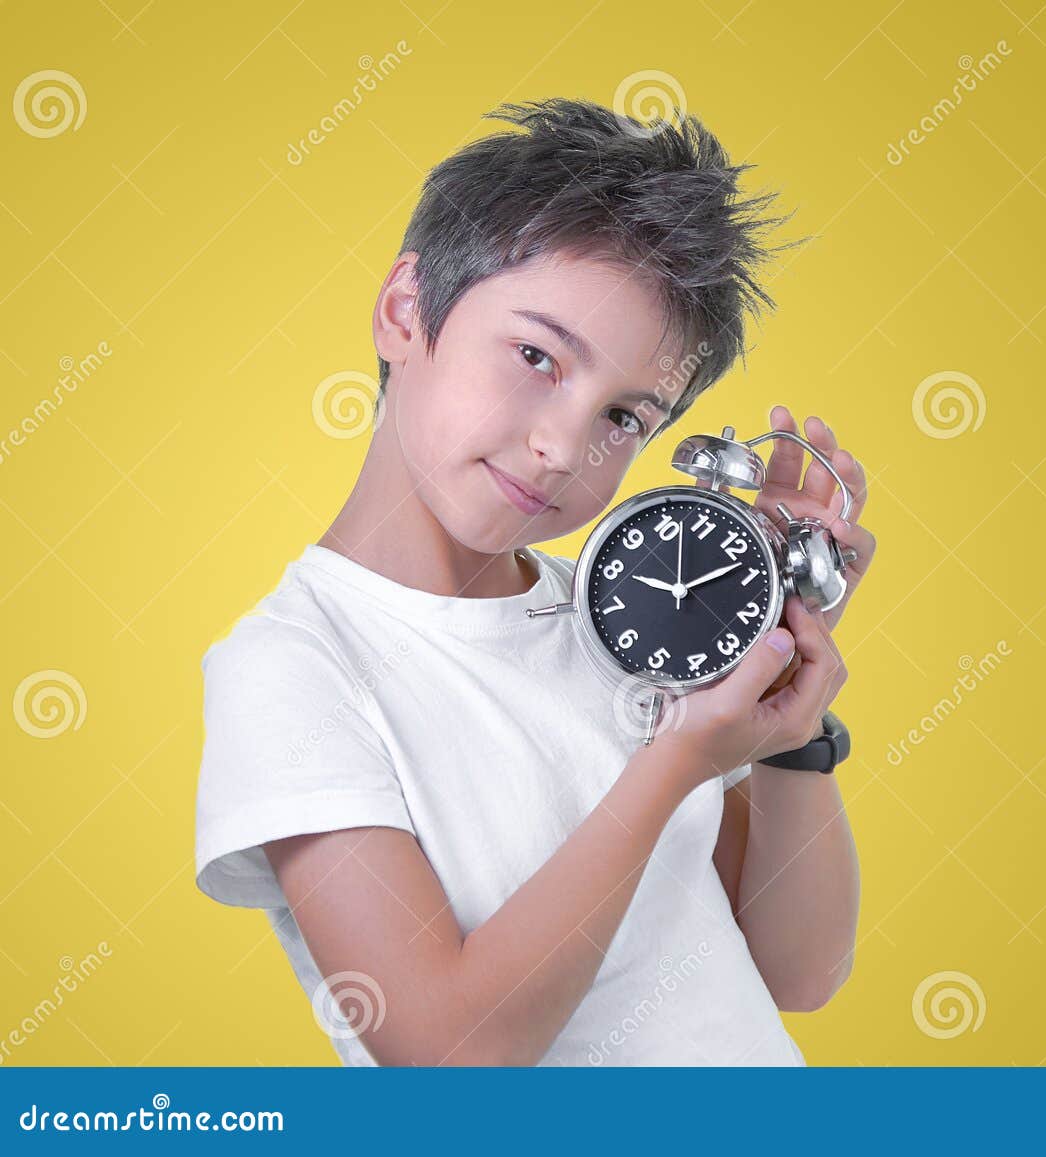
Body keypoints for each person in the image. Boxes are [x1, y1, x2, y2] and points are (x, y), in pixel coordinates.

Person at [193, 97, 876, 1066]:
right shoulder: (293, 667)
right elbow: (451, 1055)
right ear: (404, 310)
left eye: (625, 417)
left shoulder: (626, 615)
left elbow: (799, 972)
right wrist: (674, 761)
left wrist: (783, 695)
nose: (562, 445)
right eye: (536, 356)